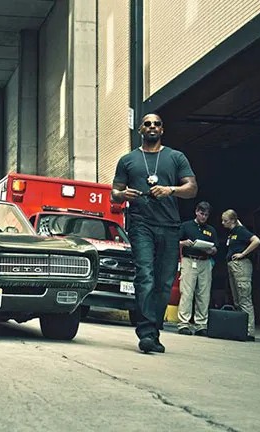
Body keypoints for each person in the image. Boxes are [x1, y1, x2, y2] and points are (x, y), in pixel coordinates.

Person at [111, 113, 197, 353]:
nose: (152, 127)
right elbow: (114, 193)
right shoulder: (128, 160)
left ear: (162, 130)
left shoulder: (176, 157)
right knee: (145, 276)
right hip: (141, 225)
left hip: (170, 225)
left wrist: (171, 190)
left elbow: (191, 188)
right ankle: (147, 333)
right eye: (147, 124)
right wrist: (122, 195)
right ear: (140, 129)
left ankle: (154, 330)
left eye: (156, 124)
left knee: (164, 282)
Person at [177, 201, 218, 336]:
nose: (203, 217)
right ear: (196, 212)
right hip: (189, 260)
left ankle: (201, 324)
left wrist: (212, 250)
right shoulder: (186, 226)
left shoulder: (211, 230)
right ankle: (184, 323)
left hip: (205, 262)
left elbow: (216, 248)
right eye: (201, 213)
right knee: (187, 292)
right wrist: (183, 243)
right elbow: (175, 241)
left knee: (204, 294)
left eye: (206, 215)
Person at [221, 209, 260, 341]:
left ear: (232, 220)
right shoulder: (233, 232)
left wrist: (243, 254)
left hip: (241, 265)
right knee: (237, 300)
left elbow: (256, 241)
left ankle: (249, 331)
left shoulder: (241, 231)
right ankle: (241, 328)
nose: (223, 223)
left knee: (244, 298)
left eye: (225, 221)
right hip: (232, 265)